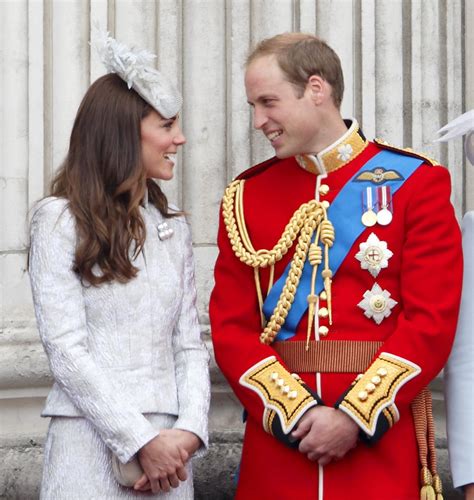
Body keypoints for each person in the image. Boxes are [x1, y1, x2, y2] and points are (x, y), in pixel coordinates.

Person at [210, 32, 462, 499]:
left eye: (268, 102)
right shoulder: (246, 196)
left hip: (378, 444)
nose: (258, 120)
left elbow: (431, 321)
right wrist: (298, 415)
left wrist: (353, 417)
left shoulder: (416, 183)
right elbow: (230, 328)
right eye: (253, 106)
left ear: (316, 89)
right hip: (282, 446)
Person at [28, 31, 210, 499]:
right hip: (87, 444)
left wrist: (188, 432)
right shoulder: (59, 220)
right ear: (125, 134)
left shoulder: (172, 228)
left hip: (171, 460)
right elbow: (66, 351)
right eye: (167, 125)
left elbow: (189, 345)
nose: (180, 138)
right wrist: (137, 439)